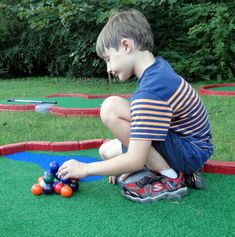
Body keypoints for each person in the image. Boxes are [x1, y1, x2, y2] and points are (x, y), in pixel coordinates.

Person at [58, 9, 214, 203]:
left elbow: (135, 159)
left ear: (126, 45)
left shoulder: (150, 91)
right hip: (189, 146)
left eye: (108, 58)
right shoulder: (158, 69)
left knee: (110, 107)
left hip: (191, 152)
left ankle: (171, 178)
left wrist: (85, 169)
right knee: (105, 151)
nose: (108, 69)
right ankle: (177, 170)